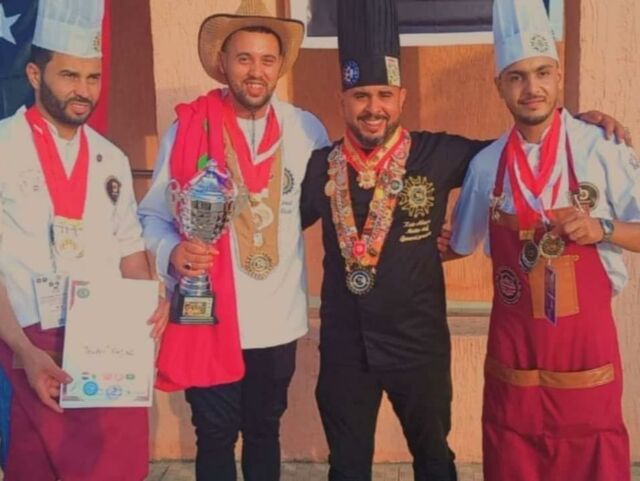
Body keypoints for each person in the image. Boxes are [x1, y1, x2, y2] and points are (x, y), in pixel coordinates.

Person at [300, 1, 631, 480]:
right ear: (343, 100)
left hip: (420, 345)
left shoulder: (442, 153)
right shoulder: (318, 168)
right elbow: (280, 224)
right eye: (360, 96)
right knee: (347, 466)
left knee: (435, 460)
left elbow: (534, 139)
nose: (373, 108)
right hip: (346, 348)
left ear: (401, 97)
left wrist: (580, 123)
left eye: (384, 94)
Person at [446, 1, 638, 480]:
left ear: (558, 76)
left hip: (586, 358)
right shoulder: (486, 166)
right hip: (514, 364)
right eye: (517, 76)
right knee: (513, 456)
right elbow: (456, 245)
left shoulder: (602, 147)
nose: (531, 88)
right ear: (499, 85)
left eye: (542, 73)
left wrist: (604, 229)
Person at [137, 0, 329, 479]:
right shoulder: (188, 127)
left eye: (266, 60)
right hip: (209, 314)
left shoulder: (307, 130)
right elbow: (152, 215)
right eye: (244, 58)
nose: (255, 71)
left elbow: (318, 207)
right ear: (223, 63)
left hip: (278, 318)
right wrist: (174, 252)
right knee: (215, 434)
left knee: (265, 430)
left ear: (279, 66)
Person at [0, 0, 168, 480]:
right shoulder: (3, 146)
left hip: (104, 354)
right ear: (35, 74)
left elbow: (129, 251)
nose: (84, 90)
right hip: (26, 349)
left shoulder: (110, 158)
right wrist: (25, 351)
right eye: (70, 76)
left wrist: (148, 301)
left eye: (93, 77)